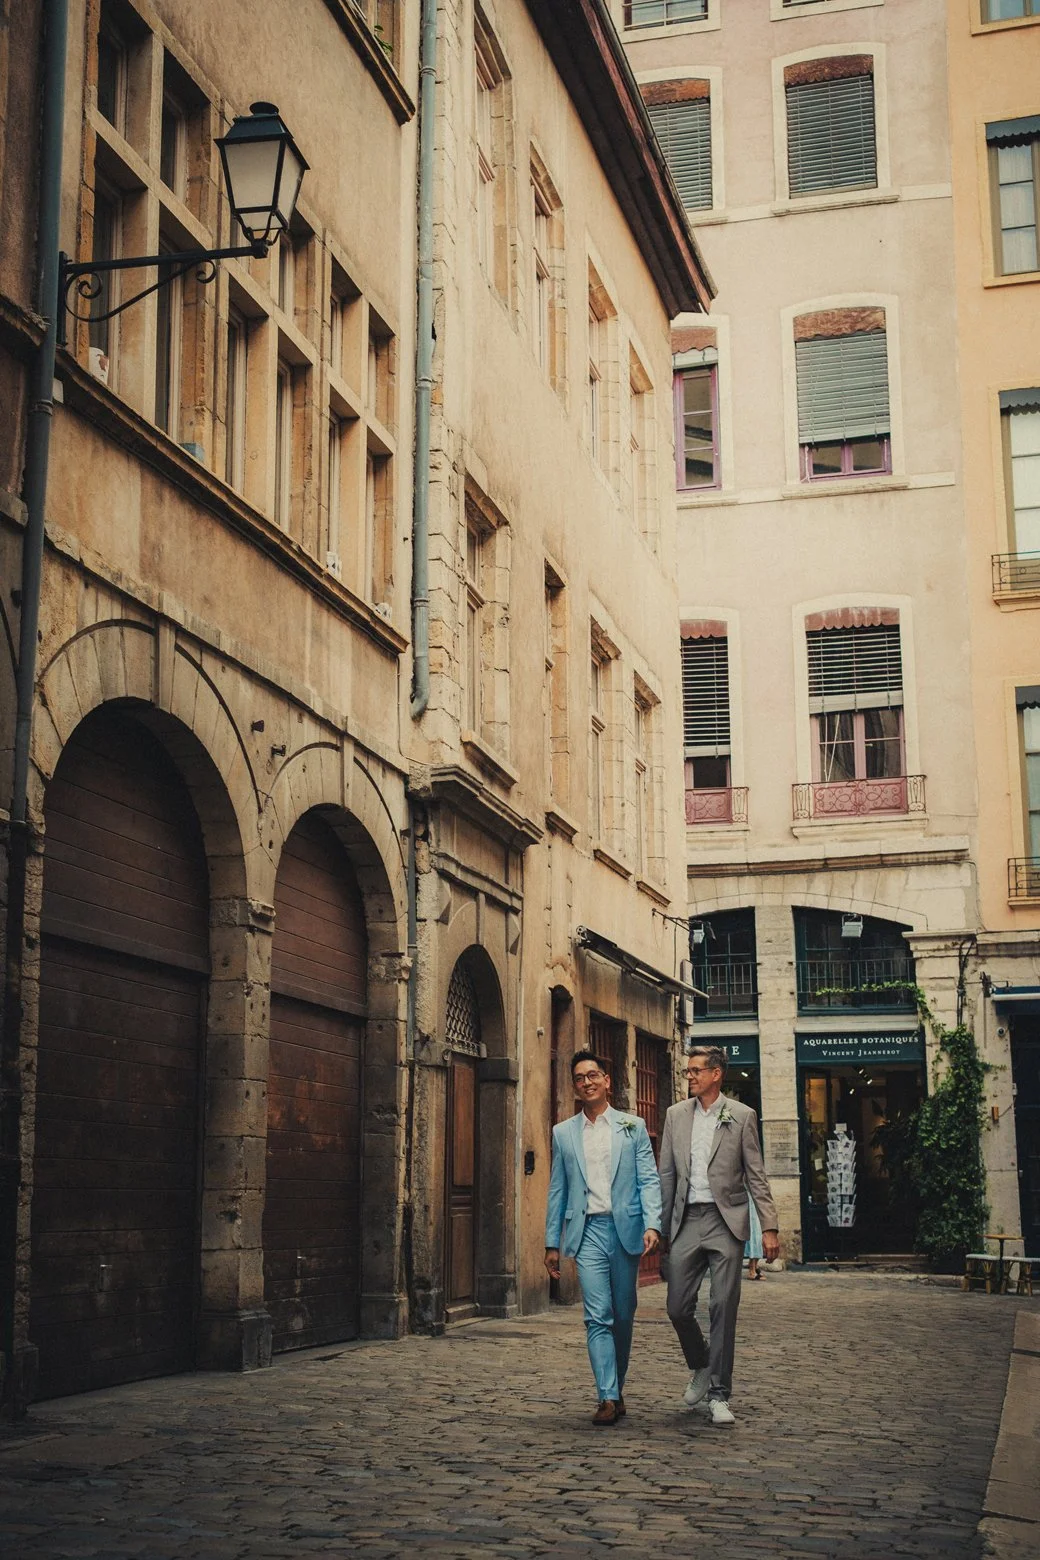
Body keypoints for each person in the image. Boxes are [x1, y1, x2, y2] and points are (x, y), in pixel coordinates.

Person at [658, 1044, 779, 1426]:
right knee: (677, 1306)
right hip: (685, 1221)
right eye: (687, 1071)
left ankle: (719, 1394)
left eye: (695, 1070)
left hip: (726, 1221)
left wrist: (770, 1226)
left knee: (722, 1306)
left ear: (715, 1074)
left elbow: (755, 1174)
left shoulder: (742, 1116)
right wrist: (660, 1227)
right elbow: (666, 1176)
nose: (689, 1076)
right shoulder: (675, 1115)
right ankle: (700, 1362)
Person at [544, 1049, 661, 1426]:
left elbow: (648, 1179)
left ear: (607, 1081)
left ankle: (617, 1388)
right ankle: (607, 1396)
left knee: (623, 1315)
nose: (587, 1082)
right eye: (579, 1078)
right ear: (575, 1087)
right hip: (588, 1230)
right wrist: (552, 1242)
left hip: (625, 1229)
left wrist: (652, 1223)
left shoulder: (633, 1126)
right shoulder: (563, 1133)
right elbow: (557, 1189)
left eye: (593, 1075)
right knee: (598, 1315)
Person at [745, 1189, 763, 1279]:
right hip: (749, 1201)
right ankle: (752, 1269)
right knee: (754, 1233)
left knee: (758, 1235)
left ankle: (755, 1266)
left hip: (758, 1201)